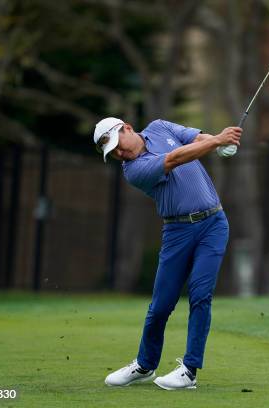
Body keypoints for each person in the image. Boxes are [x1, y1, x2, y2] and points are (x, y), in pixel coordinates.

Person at [93, 117, 242, 390]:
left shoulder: (160, 127)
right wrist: (218, 141)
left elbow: (195, 139)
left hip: (213, 224)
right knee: (161, 305)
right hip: (177, 232)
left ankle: (189, 371)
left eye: (117, 145)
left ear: (127, 127)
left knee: (200, 294)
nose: (118, 153)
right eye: (112, 153)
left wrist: (219, 143)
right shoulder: (133, 169)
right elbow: (174, 159)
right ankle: (144, 365)